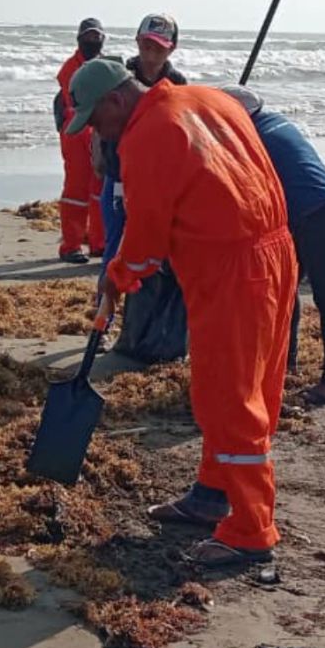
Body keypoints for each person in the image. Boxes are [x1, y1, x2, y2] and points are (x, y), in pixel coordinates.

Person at [66, 59, 297, 567]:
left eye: (96, 121)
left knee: (228, 396)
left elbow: (147, 234)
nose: (98, 135)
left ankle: (251, 531)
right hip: (275, 249)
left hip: (229, 266)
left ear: (115, 101)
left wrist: (118, 275)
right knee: (251, 385)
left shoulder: (146, 134)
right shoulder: (211, 99)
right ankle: (212, 495)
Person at [224, 85, 325, 406]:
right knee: (287, 292)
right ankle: (287, 365)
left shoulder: (257, 139)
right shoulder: (277, 122)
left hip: (317, 215)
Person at [94, 13, 189, 362]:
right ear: (137, 42)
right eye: (147, 46)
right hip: (118, 175)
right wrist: (98, 156)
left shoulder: (177, 82)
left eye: (159, 49)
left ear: (171, 49)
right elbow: (98, 117)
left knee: (154, 252)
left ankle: (149, 328)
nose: (152, 55)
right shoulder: (121, 75)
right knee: (114, 249)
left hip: (155, 179)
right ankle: (102, 323)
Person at [54, 18, 108, 264]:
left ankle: (99, 242)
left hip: (101, 129)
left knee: (99, 189)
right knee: (76, 190)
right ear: (79, 39)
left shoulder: (106, 65)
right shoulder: (69, 68)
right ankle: (71, 245)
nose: (92, 41)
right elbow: (78, 99)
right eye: (88, 37)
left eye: (96, 37)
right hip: (76, 132)